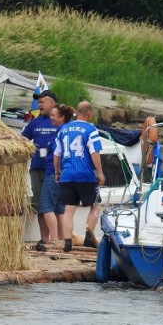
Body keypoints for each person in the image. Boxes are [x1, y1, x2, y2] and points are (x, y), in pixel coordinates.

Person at [53, 101, 105, 252]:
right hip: (85, 174)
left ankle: (67, 240)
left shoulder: (63, 130)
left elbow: (56, 155)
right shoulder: (91, 129)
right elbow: (94, 152)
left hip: (67, 175)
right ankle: (89, 231)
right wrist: (100, 172)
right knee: (96, 205)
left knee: (69, 209)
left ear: (77, 112)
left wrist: (57, 172)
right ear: (89, 114)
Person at [21, 89, 58, 251]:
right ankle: (44, 239)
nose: (39, 105)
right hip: (36, 168)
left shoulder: (59, 121)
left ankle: (57, 239)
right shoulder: (35, 122)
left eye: (42, 102)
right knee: (40, 205)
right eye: (39, 102)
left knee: (53, 205)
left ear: (52, 103)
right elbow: (22, 140)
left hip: (54, 171)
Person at [38, 104, 73, 249]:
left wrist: (57, 171)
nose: (51, 118)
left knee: (46, 206)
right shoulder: (66, 131)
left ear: (62, 117)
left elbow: (58, 154)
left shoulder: (60, 132)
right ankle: (62, 240)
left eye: (54, 115)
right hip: (63, 175)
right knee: (59, 208)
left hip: (54, 172)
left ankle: (54, 240)